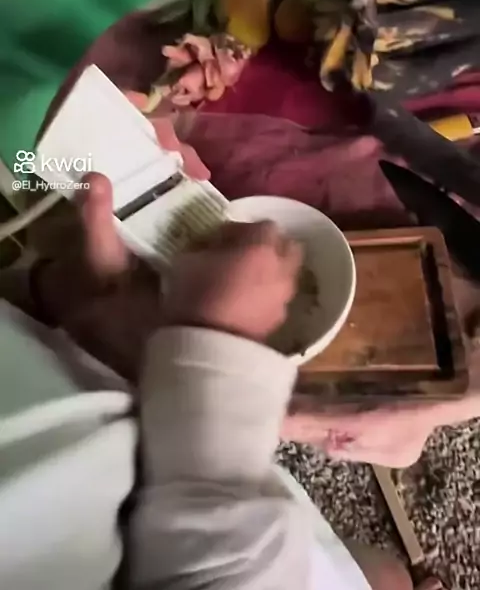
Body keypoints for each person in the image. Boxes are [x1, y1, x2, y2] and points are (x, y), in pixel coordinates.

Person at [0, 174, 417, 590]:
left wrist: (214, 343)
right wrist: (212, 347)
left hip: (92, 432)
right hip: (177, 473)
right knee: (389, 578)